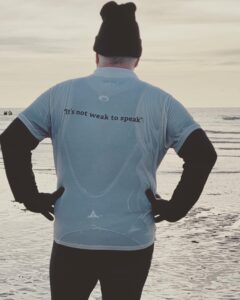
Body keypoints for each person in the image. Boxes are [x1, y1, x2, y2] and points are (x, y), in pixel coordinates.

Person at [0, 1, 217, 300]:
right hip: (131, 237)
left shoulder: (61, 94)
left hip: (72, 234)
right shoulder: (161, 102)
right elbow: (203, 155)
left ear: (96, 54)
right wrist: (175, 208)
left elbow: (12, 140)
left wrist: (30, 196)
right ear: (137, 58)